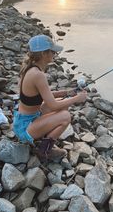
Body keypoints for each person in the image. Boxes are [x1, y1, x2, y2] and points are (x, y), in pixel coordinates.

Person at [13, 34, 87, 162]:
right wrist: (77, 98)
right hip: (25, 128)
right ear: (43, 54)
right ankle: (45, 150)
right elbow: (52, 106)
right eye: (52, 51)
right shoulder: (38, 75)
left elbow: (43, 95)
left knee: (62, 104)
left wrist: (67, 93)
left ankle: (44, 136)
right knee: (65, 116)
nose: (54, 54)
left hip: (23, 121)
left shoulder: (30, 69)